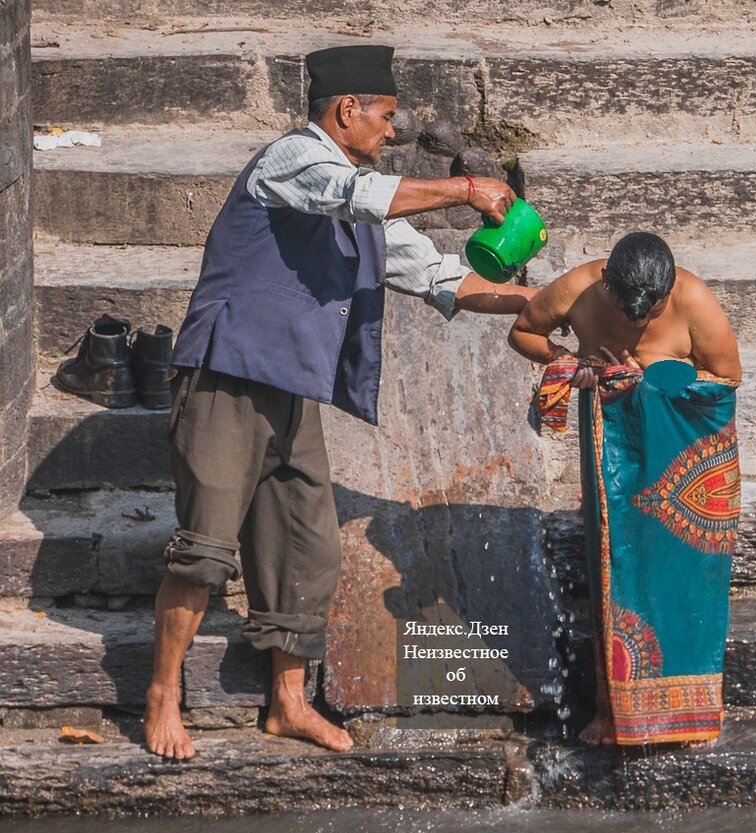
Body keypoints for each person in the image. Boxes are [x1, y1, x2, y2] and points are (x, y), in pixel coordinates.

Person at [143, 45, 538, 760]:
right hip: (225, 379)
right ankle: (163, 695)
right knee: (204, 553)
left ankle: (288, 703)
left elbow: (441, 277)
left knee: (308, 549)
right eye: (386, 118)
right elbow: (354, 196)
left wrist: (540, 303)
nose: (392, 133)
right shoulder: (293, 160)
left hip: (292, 391)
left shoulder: (366, 198)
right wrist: (464, 190)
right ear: (345, 111)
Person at [509, 232, 741, 746]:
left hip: (681, 465)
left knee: (682, 578)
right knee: (613, 568)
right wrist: (570, 362)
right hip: (613, 454)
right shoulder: (577, 289)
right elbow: (524, 330)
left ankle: (693, 709)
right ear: (606, 284)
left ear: (667, 292)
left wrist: (651, 384)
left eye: (650, 315)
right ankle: (610, 713)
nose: (639, 325)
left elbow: (726, 381)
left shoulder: (693, 298)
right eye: (625, 310)